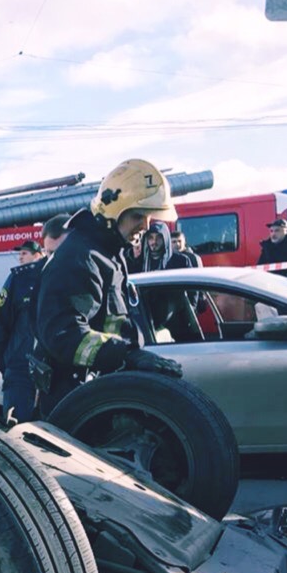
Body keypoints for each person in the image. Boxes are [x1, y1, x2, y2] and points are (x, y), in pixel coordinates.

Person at [32, 158, 184, 417]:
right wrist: (126, 356)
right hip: (76, 402)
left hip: (99, 394)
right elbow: (64, 335)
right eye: (138, 215)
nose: (146, 226)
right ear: (115, 211)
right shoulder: (80, 257)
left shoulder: (107, 253)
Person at [0, 215, 68, 424]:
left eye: (63, 252)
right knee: (18, 442)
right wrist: (11, 368)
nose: (56, 260)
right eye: (51, 253)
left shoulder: (82, 276)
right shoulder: (20, 279)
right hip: (21, 375)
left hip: (62, 379)